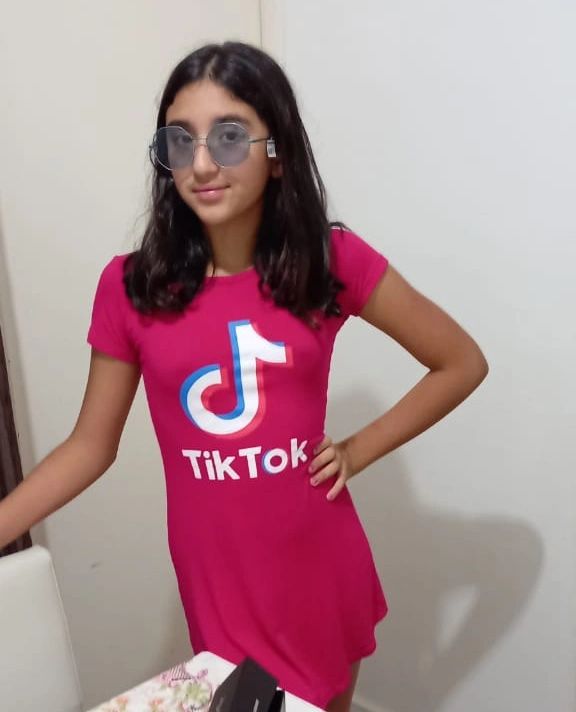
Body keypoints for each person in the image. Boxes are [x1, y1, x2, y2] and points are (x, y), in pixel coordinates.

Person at [0, 41, 488, 711]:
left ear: (276, 150)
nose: (202, 163)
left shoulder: (329, 260)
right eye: (180, 140)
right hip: (218, 582)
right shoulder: (131, 287)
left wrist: (357, 449)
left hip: (317, 567)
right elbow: (90, 446)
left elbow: (460, 362)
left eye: (229, 137)